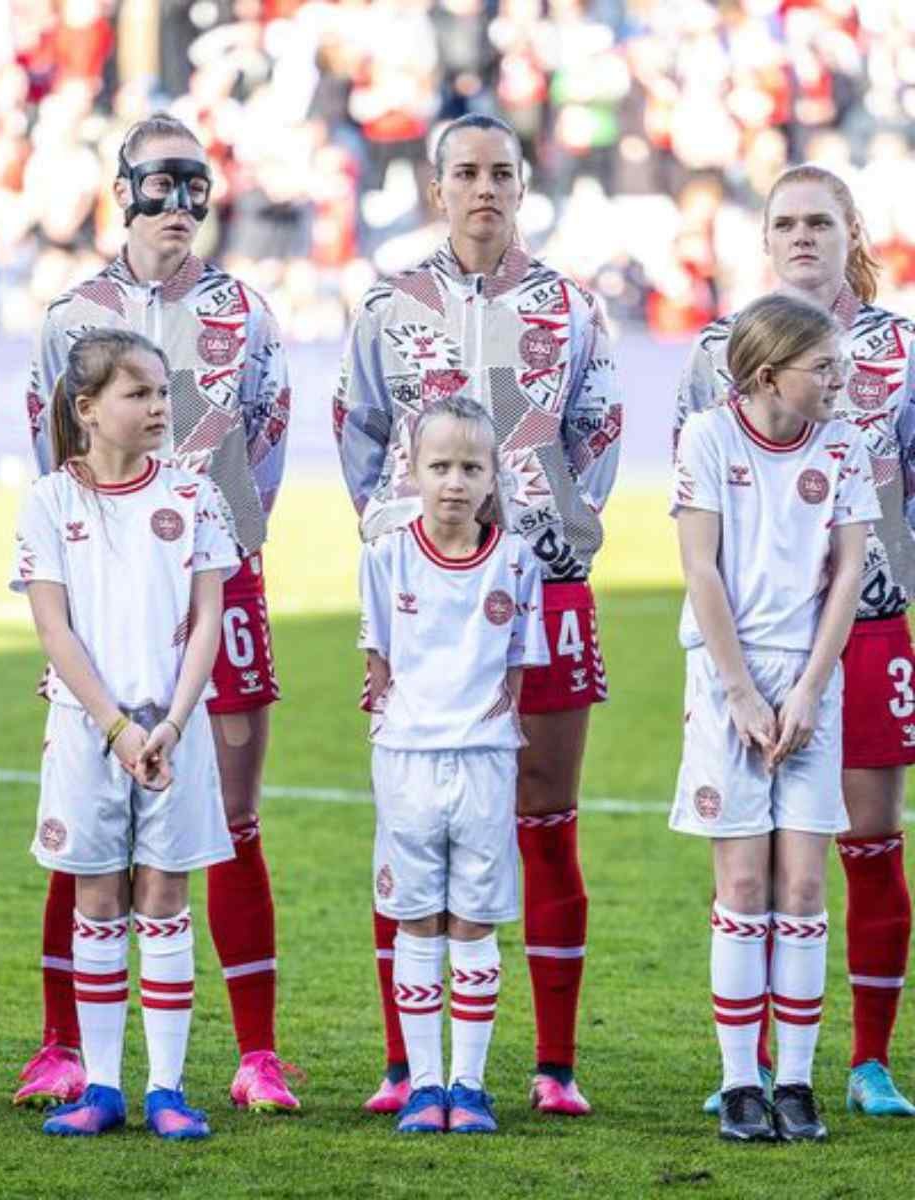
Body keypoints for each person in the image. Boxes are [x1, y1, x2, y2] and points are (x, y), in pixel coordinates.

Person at [334, 112, 620, 1116]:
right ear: (435, 184)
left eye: (502, 171)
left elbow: (601, 425)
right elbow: (359, 426)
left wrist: (556, 535)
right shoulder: (389, 301)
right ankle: (407, 1067)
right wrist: (391, 529)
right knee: (408, 827)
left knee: (545, 820)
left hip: (538, 587)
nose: (484, 189)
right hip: (422, 593)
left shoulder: (572, 306)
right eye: (466, 173)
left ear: (524, 183)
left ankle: (552, 1066)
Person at [19, 113, 298, 1113]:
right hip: (99, 584)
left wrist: (219, 528)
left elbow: (268, 432)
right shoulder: (71, 313)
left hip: (211, 567)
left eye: (198, 186)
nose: (180, 205)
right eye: (161, 183)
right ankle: (66, 1051)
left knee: (228, 812)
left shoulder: (246, 311)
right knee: (86, 813)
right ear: (122, 187)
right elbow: (46, 432)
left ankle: (256, 1053)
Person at [677, 163, 915, 1118]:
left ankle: (865, 1061)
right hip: (748, 635)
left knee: (861, 840)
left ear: (850, 229)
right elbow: (697, 512)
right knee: (746, 859)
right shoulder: (713, 352)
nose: (803, 237)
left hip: (868, 622)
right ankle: (749, 1066)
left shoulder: (898, 347)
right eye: (786, 223)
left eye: (821, 221)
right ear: (765, 239)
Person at [13, 330, 238, 1140]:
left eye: (160, 393)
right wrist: (113, 727)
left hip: (176, 731)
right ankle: (103, 1088)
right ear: (86, 409)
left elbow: (209, 614)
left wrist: (170, 723)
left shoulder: (195, 494)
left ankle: (167, 1089)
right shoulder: (50, 501)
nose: (156, 407)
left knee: (167, 898)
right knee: (98, 900)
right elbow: (54, 627)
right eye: (136, 393)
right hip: (86, 731)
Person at [359, 396, 548, 1135]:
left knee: (472, 920)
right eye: (439, 466)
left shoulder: (515, 561)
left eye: (472, 467)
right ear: (412, 470)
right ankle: (423, 1084)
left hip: (484, 759)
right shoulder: (386, 557)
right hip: (406, 758)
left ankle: (467, 1086)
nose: (455, 482)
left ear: (494, 474)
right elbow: (376, 663)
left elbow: (517, 670)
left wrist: (490, 731)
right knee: (415, 918)